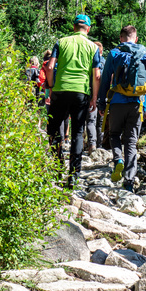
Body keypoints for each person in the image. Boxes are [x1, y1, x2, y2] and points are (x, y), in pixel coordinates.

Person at [98, 25, 146, 192]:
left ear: (121, 38)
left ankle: (118, 159)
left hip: (117, 102)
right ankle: (129, 182)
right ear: (136, 38)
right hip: (137, 104)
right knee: (131, 142)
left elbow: (104, 80)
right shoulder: (144, 55)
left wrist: (101, 104)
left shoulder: (114, 53)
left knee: (114, 134)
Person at [46, 14, 101, 188]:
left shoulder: (61, 42)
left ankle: (57, 169)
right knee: (77, 132)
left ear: (73, 27)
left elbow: (49, 66)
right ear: (88, 29)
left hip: (60, 90)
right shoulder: (93, 47)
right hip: (81, 93)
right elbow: (97, 75)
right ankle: (74, 175)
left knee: (54, 131)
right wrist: (94, 98)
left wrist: (51, 85)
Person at [85, 41, 105, 154]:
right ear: (101, 51)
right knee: (100, 121)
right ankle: (100, 144)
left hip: (91, 93)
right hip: (103, 95)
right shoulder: (105, 62)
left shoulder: (89, 62)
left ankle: (92, 145)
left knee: (91, 120)